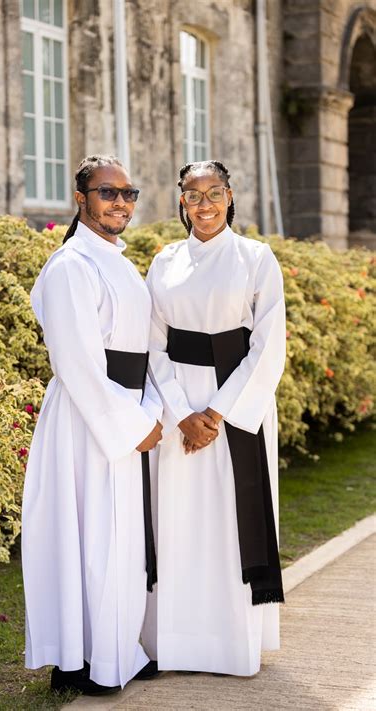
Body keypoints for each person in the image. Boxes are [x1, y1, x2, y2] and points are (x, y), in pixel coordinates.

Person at [22, 155, 163, 695]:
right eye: (108, 192)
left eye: (128, 193)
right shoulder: (70, 266)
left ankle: (117, 649)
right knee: (88, 535)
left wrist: (150, 411)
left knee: (118, 538)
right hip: (88, 420)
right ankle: (79, 659)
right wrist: (131, 424)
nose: (121, 203)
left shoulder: (118, 261)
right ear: (81, 199)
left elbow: (141, 352)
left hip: (126, 409)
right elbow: (77, 363)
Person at [144, 160, 286, 676]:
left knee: (231, 520)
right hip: (178, 405)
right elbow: (151, 345)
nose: (204, 204)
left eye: (214, 193)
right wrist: (182, 414)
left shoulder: (256, 257)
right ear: (181, 201)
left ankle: (229, 645)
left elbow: (268, 344)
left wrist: (216, 412)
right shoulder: (164, 261)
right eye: (193, 194)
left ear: (230, 196)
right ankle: (175, 643)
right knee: (178, 519)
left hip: (236, 405)